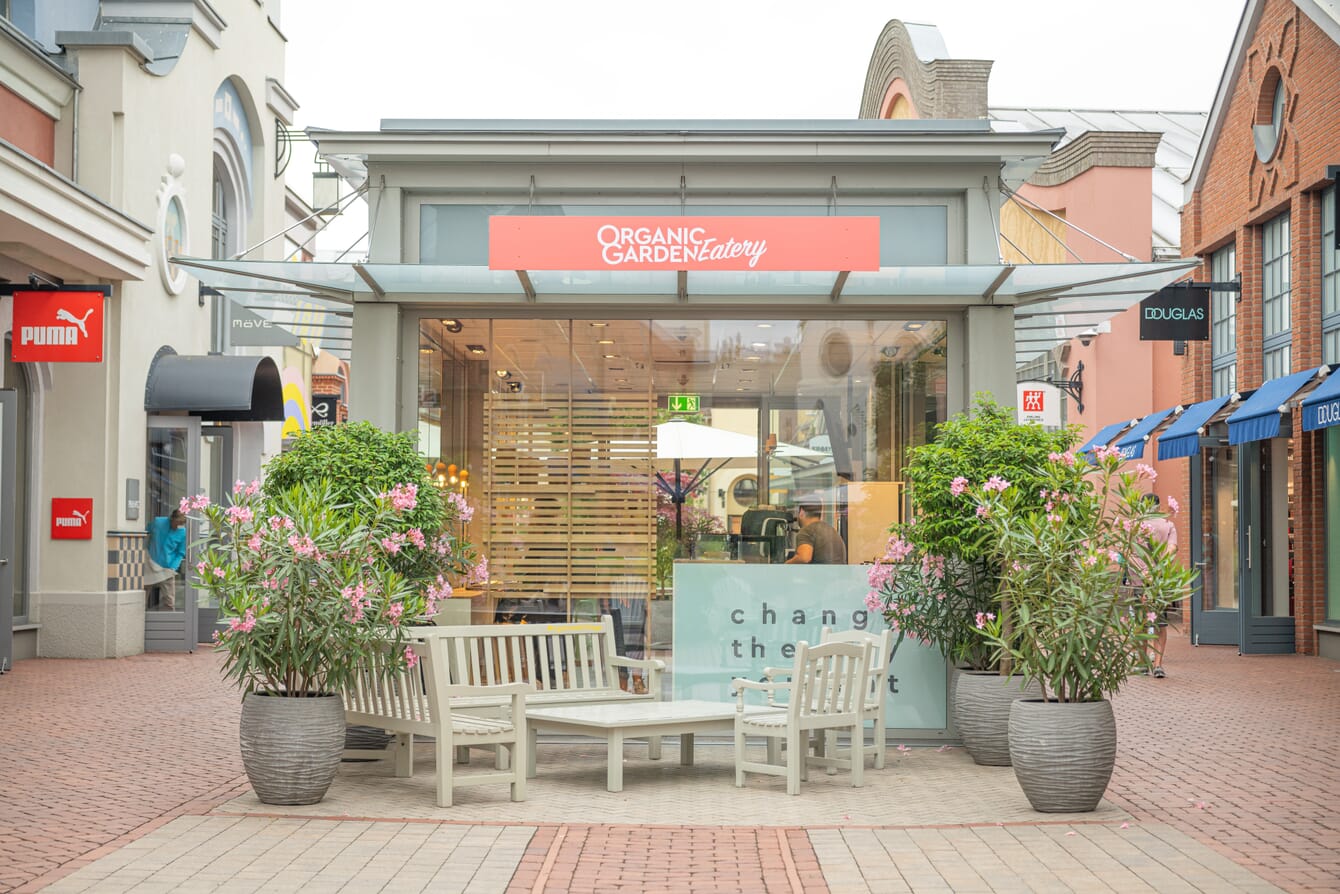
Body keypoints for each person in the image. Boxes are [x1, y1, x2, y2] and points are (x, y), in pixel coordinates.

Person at [1141, 494, 1178, 679]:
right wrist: (1157, 569)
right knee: (1160, 623)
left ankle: (1142, 662)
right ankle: (1158, 665)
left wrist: (1144, 571)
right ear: (1158, 506)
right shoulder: (1168, 525)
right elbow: (1172, 549)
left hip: (1138, 579)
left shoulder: (1136, 526)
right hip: (1160, 581)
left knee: (1139, 622)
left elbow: (1130, 552)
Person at [145, 509, 187, 611]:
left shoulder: (182, 532)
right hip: (151, 564)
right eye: (176, 523)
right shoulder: (158, 522)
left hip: (167, 568)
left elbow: (180, 552)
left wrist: (173, 567)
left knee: (169, 600)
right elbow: (145, 532)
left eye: (181, 524)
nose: (177, 527)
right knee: (143, 595)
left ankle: (169, 623)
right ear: (171, 519)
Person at [785, 497, 847, 565]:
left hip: (820, 575)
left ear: (801, 512)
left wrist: (785, 565)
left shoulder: (807, 530)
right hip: (839, 575)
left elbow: (804, 558)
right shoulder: (832, 531)